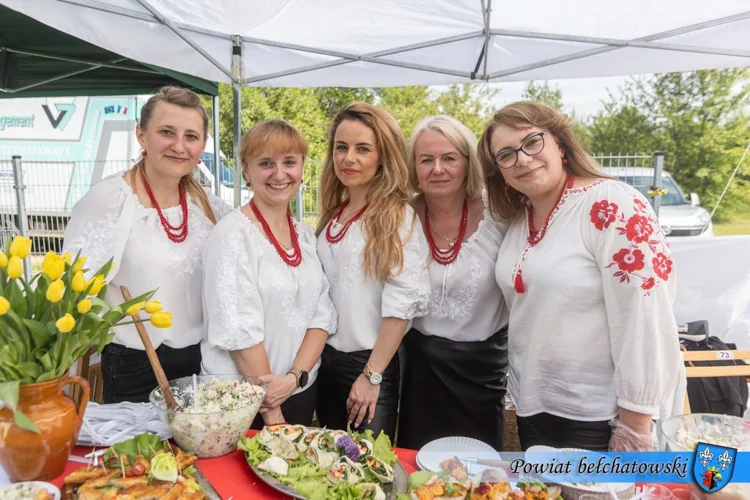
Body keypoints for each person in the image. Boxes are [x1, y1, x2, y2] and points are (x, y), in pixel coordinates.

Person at [478, 101, 685, 452]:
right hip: (535, 407)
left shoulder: (611, 205)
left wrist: (635, 422)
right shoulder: (518, 218)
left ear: (560, 143)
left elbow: (645, 316)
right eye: (507, 154)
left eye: (532, 142)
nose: (523, 159)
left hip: (600, 415)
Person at [64, 86, 232, 403]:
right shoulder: (110, 199)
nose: (179, 146)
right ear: (141, 135)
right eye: (166, 132)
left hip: (202, 364)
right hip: (137, 365)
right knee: (140, 453)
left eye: (191, 136)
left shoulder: (205, 202)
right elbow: (74, 291)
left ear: (203, 145)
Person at [201, 120, 336, 428]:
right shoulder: (233, 235)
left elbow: (321, 316)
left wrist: (295, 378)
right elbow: (239, 331)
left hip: (298, 392)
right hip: (244, 405)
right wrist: (272, 415)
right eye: (266, 163)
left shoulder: (304, 236)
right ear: (246, 171)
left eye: (290, 162)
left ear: (302, 169)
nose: (279, 174)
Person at [315, 102, 430, 439]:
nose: (348, 158)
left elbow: (402, 304)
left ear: (383, 156)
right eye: (341, 147)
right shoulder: (333, 214)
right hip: (326, 363)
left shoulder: (396, 217)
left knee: (366, 476)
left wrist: (371, 375)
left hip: (369, 364)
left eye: (362, 149)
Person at [397, 115, 509, 451]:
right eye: (426, 159)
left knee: (480, 476)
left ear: (468, 162)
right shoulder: (401, 216)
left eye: (449, 158)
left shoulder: (501, 214)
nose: (437, 169)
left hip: (483, 374)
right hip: (419, 373)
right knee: (418, 471)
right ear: (413, 166)